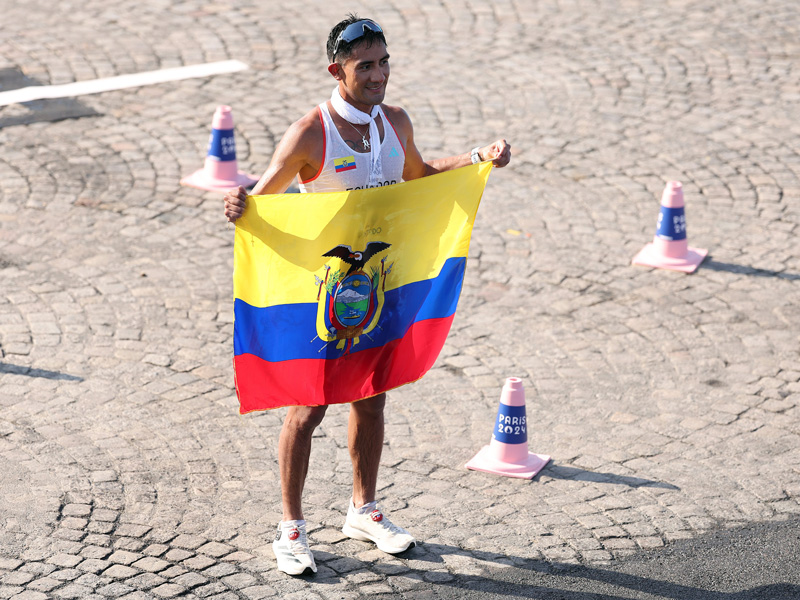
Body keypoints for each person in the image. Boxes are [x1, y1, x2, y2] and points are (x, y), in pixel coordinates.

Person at [223, 14, 511, 576]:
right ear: (337, 70)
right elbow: (264, 198)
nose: (379, 76)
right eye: (365, 67)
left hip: (377, 289)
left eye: (383, 63)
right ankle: (291, 527)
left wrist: (476, 158)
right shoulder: (312, 132)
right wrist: (240, 206)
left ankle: (364, 509)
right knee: (308, 409)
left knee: (372, 396)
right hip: (323, 297)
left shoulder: (394, 121)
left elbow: (419, 174)